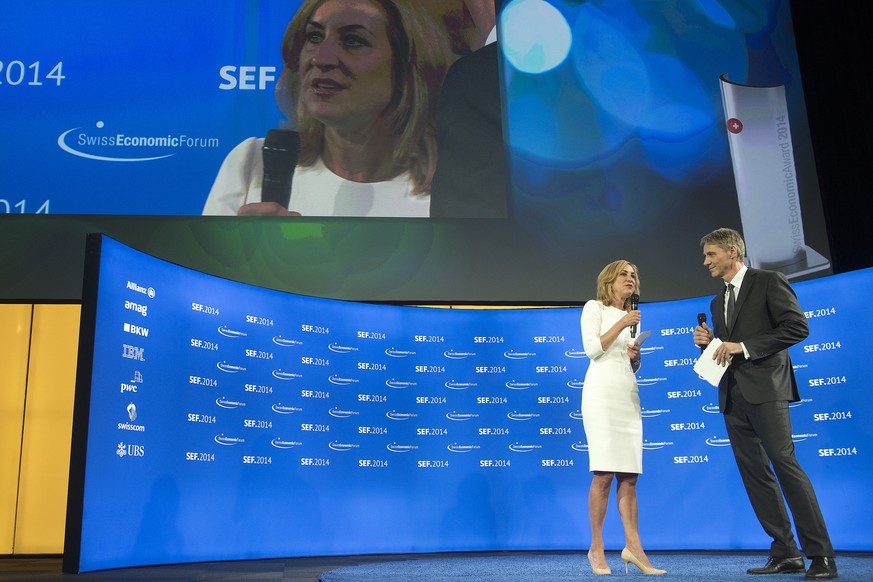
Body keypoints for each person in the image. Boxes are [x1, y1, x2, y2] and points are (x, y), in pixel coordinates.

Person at [202, 0, 452, 217]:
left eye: (353, 41)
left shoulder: (452, 184)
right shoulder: (251, 162)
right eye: (314, 37)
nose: (321, 58)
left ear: (406, 68)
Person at [693, 228, 837, 580]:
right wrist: (710, 344)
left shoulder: (769, 280)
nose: (706, 262)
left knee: (785, 467)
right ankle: (786, 552)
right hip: (732, 395)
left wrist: (741, 346)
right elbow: (727, 349)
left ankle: (821, 556)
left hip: (768, 389)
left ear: (731, 251)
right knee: (756, 476)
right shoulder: (717, 301)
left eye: (711, 255)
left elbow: (796, 328)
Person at [580, 260, 666, 576]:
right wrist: (621, 323)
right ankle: (596, 548)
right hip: (601, 395)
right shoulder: (595, 308)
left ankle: (634, 548)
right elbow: (593, 349)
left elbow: (625, 361)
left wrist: (636, 358)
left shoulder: (634, 319)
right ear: (609, 280)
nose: (630, 279)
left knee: (629, 476)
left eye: (634, 275)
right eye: (624, 274)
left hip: (627, 394)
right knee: (603, 473)